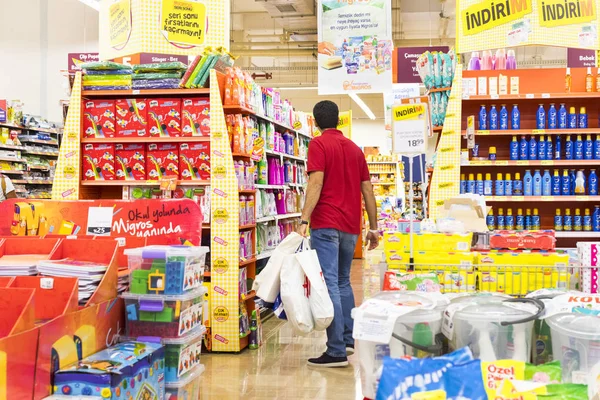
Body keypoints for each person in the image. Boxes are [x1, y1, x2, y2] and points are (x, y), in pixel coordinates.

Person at [297, 100, 379, 368]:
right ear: (338, 121)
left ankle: (335, 351)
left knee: (330, 282)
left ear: (316, 121)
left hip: (326, 223)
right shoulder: (355, 149)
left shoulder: (319, 144)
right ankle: (346, 339)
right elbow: (368, 190)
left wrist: (304, 218)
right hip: (351, 226)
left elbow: (316, 182)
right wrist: (374, 227)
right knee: (343, 281)